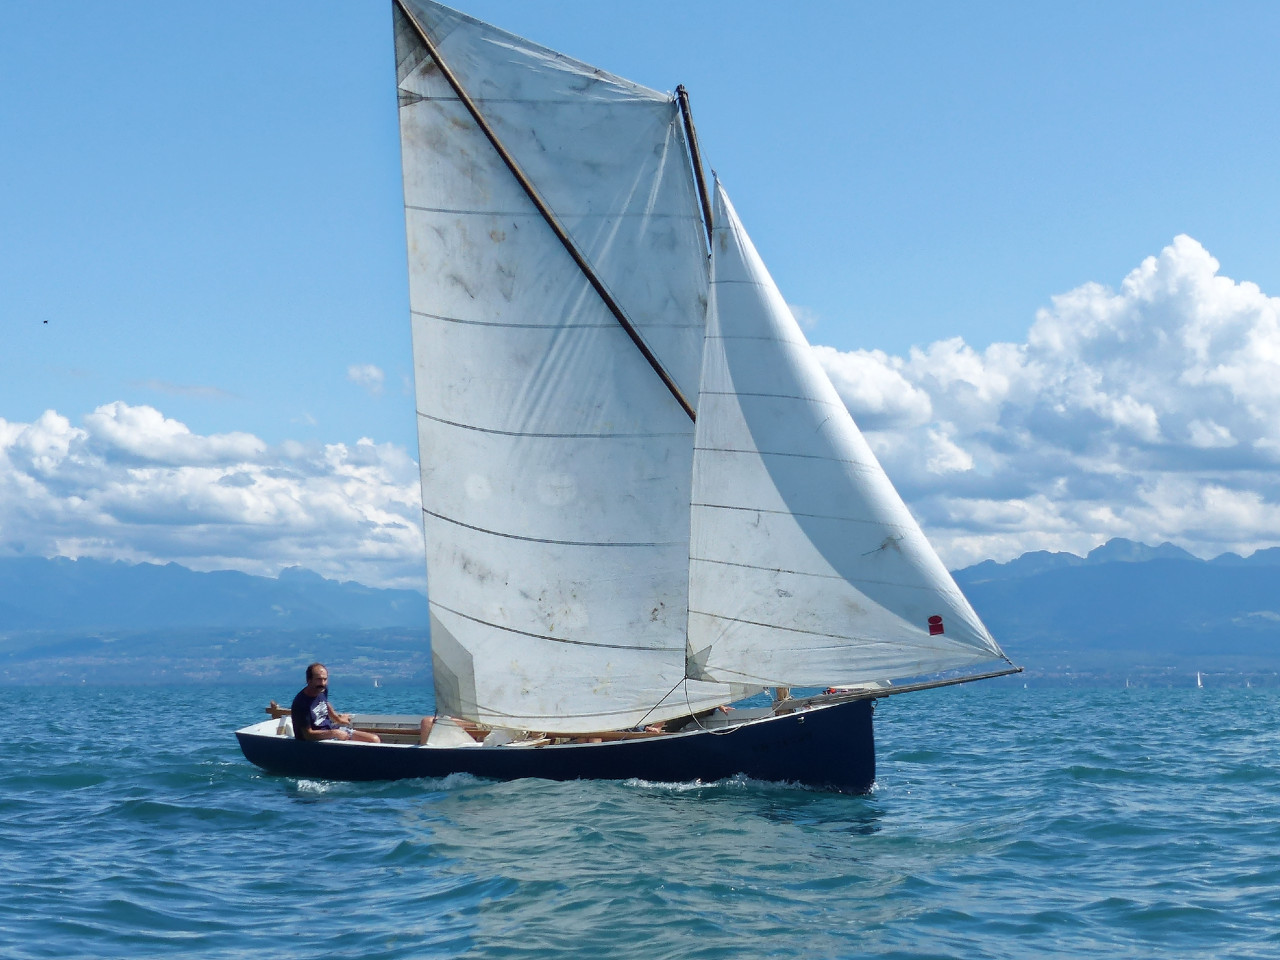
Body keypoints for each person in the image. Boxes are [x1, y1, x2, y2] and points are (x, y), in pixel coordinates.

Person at [290, 663, 380, 743]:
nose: (322, 683)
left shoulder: (322, 689)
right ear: (309, 680)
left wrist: (338, 719)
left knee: (374, 740)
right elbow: (308, 735)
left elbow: (325, 703)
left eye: (325, 679)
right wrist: (334, 733)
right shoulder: (301, 703)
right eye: (318, 679)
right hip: (317, 742)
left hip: (330, 731)